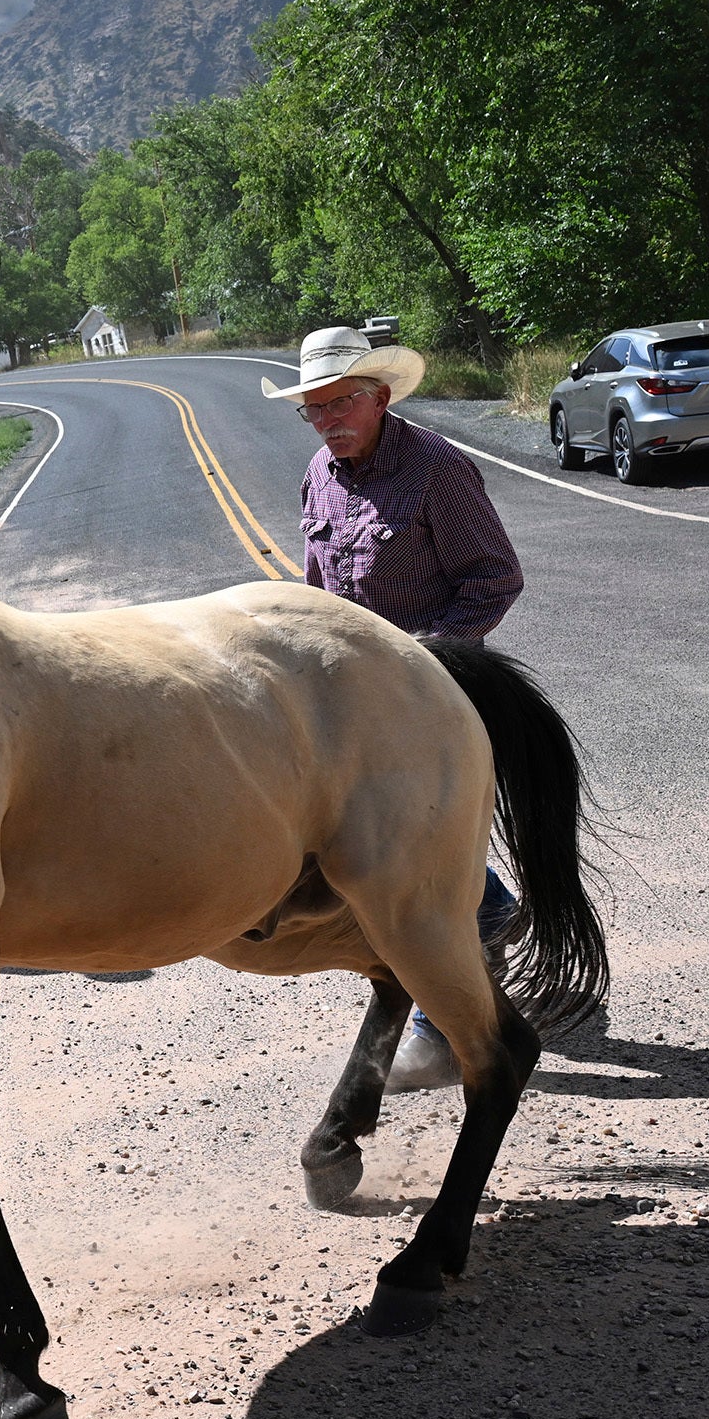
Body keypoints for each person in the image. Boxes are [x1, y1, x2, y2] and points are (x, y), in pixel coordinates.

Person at [265, 324, 526, 1090]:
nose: (327, 420)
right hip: (348, 701)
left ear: (380, 396)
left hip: (431, 692)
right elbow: (318, 592)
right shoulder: (319, 472)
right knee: (374, 843)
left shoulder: (438, 471)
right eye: (313, 409)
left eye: (340, 403)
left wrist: (421, 660)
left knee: (400, 856)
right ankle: (486, 910)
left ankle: (436, 1009)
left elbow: (494, 579)